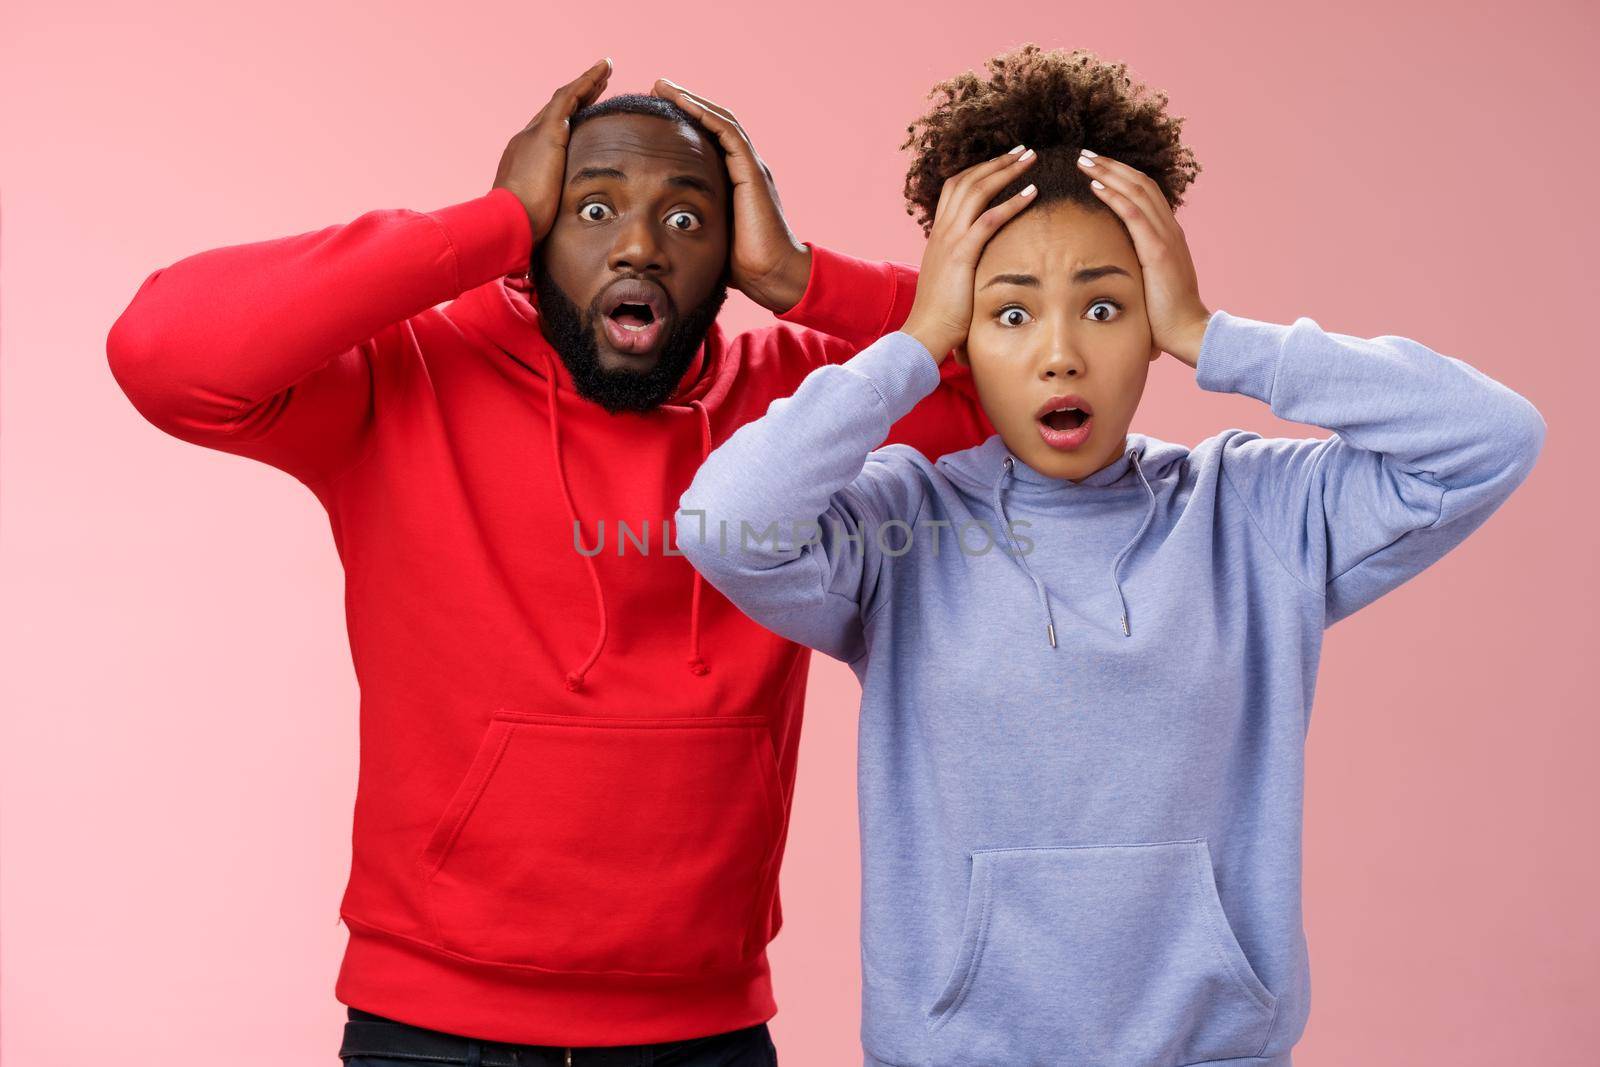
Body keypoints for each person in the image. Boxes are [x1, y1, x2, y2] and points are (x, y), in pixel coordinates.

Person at [105, 58, 992, 1064]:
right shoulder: (405, 380)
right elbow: (164, 350)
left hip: (702, 1031)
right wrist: (481, 226)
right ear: (533, 240)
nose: (641, 247)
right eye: (592, 207)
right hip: (432, 1030)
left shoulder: (801, 407)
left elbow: (1012, 379)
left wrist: (798, 276)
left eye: (689, 220)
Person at [675, 44, 1546, 1067]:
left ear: (1148, 326)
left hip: (1210, 1049)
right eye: (1006, 314)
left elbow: (1491, 436)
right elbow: (723, 522)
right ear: (965, 335)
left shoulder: (1252, 512)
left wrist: (1216, 335)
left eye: (1105, 305)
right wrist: (911, 345)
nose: (1059, 352)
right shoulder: (901, 528)